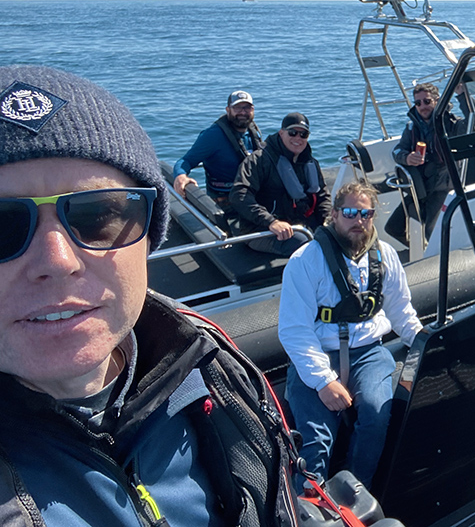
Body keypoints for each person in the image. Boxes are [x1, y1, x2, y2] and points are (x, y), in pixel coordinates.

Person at [0, 66, 298, 525]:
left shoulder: (212, 370)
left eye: (99, 216)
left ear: (147, 238)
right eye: (3, 227)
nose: (57, 260)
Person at [279, 181, 423, 492]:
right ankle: (308, 504)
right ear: (333, 215)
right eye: (349, 213)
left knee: (375, 414)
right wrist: (323, 381)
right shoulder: (305, 260)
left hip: (368, 352)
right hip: (318, 352)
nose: (358, 221)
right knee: (316, 438)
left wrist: (424, 342)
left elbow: (400, 309)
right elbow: (294, 329)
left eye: (365, 214)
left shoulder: (385, 256)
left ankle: (359, 491)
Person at [385, 82, 475, 247]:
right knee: (392, 228)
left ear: (437, 101)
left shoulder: (451, 124)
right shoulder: (411, 127)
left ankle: (435, 258)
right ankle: (423, 251)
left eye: (427, 101)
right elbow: (396, 151)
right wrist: (406, 157)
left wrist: (463, 96)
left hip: (443, 188)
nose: (422, 106)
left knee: (432, 234)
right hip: (420, 189)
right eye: (418, 103)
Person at [230, 111, 333, 256]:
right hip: (263, 229)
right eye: (293, 132)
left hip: (301, 223)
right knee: (306, 245)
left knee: (339, 235)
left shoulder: (310, 162)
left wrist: (329, 220)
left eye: (303, 135)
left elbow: (322, 195)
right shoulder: (258, 161)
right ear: (281, 133)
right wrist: (271, 222)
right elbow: (239, 196)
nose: (298, 138)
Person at [172, 90, 264, 208]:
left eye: (247, 108)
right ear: (228, 110)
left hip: (253, 194)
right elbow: (185, 161)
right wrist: (180, 176)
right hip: (225, 200)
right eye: (237, 108)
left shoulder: (254, 132)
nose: (243, 112)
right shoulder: (213, 135)